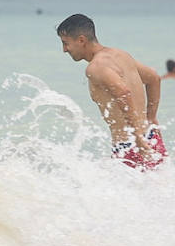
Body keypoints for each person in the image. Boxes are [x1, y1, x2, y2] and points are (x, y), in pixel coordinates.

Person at [56, 14, 166, 169]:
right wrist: (151, 118)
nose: (64, 50)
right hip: (151, 138)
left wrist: (136, 138)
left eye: (65, 43)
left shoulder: (95, 68)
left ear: (81, 40)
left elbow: (123, 93)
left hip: (131, 146)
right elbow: (154, 78)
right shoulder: (120, 55)